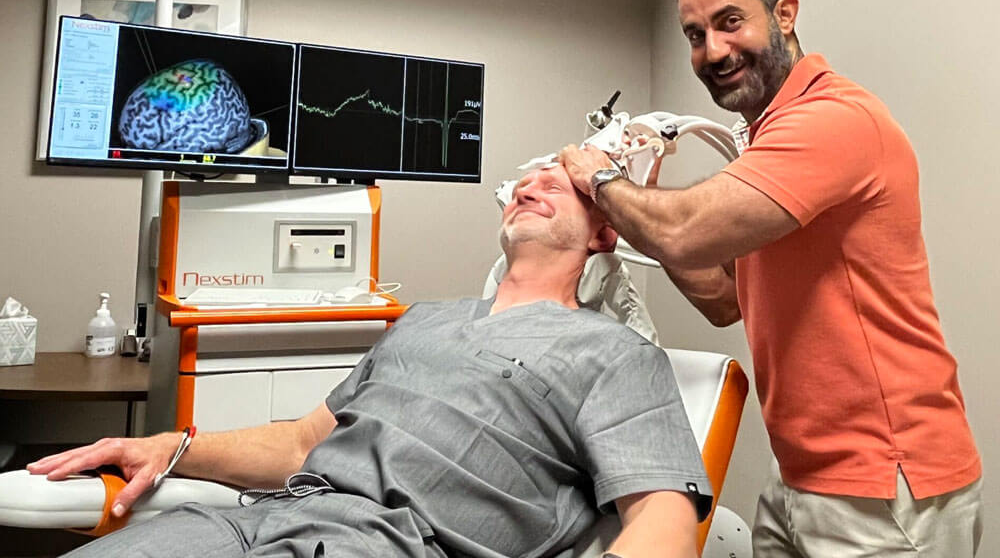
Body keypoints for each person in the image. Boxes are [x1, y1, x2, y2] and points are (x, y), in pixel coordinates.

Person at [29, 163, 711, 558]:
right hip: (246, 521)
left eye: (556, 185)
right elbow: (301, 442)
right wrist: (168, 447)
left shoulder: (618, 354)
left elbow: (663, 513)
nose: (530, 185)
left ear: (603, 232)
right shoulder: (427, 319)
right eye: (524, 180)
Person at [559, 0, 982, 558]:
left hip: (884, 485)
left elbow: (681, 230)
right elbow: (724, 299)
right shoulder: (765, 145)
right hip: (800, 475)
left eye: (731, 22)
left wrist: (599, 177)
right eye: (695, 35)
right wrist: (640, 197)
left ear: (784, 14)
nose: (713, 51)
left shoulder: (832, 120)